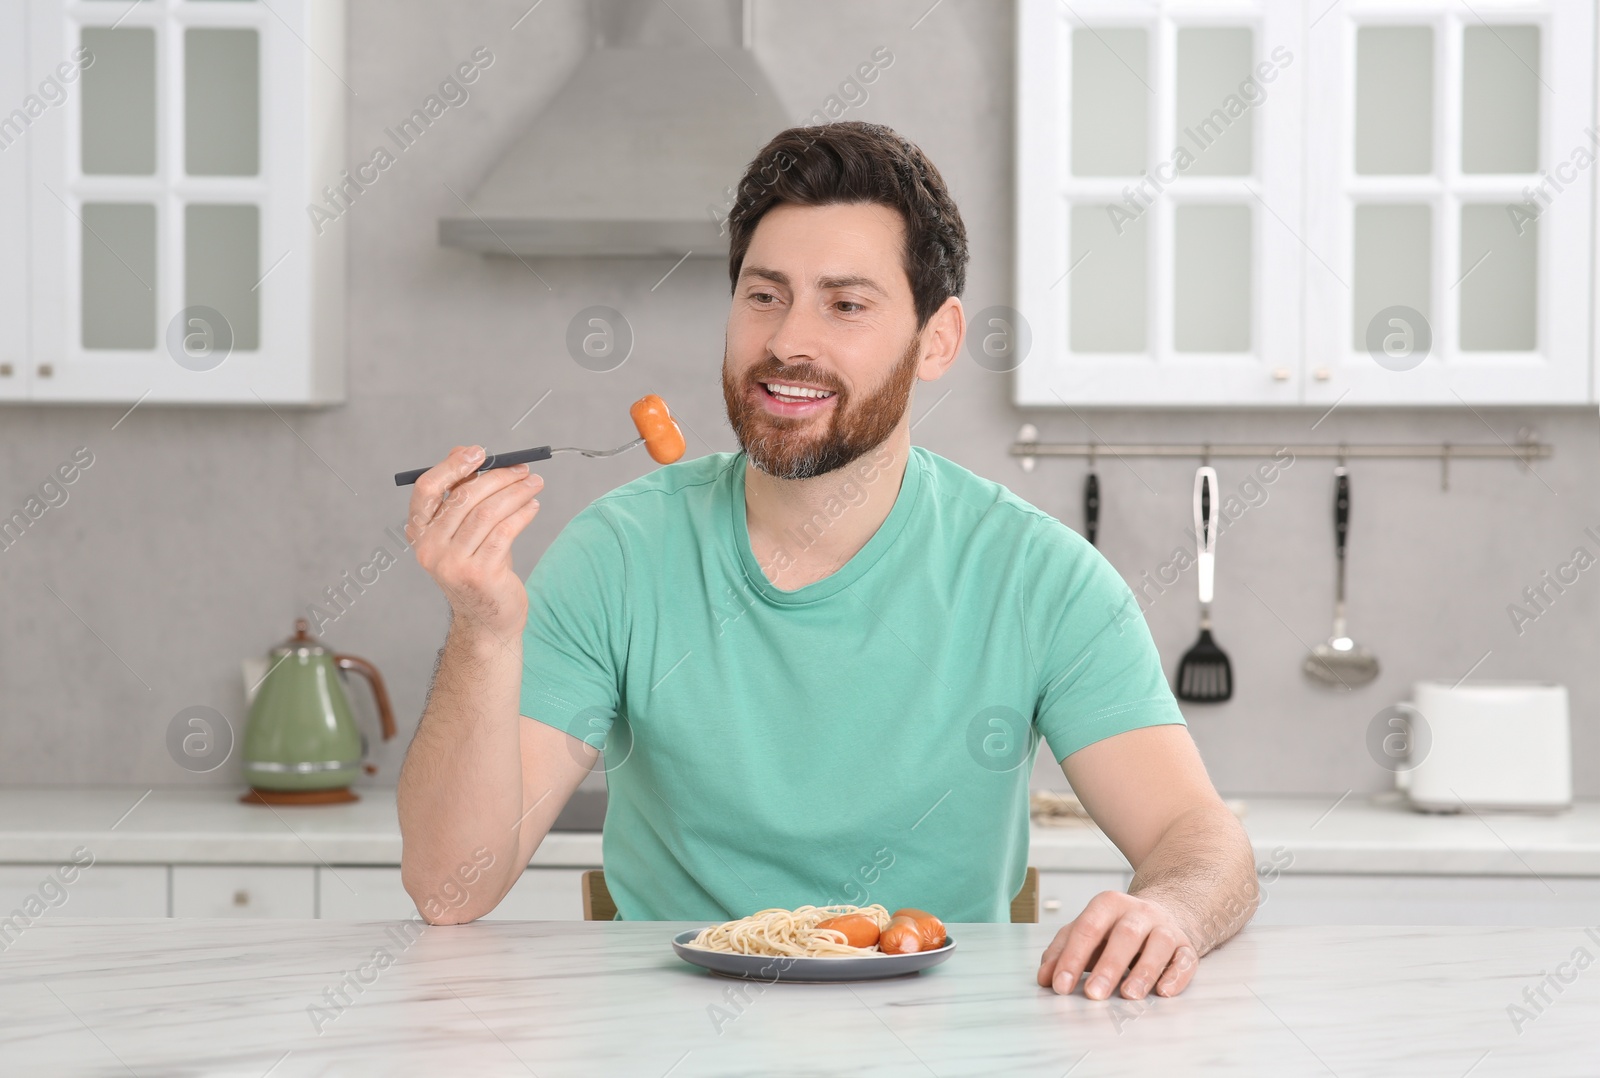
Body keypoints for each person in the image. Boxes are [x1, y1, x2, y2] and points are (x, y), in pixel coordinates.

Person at [396, 121, 1256, 1001]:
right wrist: (483, 629)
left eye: (845, 305)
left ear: (937, 339)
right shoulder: (617, 553)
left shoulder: (1040, 577)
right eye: (764, 296)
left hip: (947, 1048)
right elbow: (446, 887)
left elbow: (1200, 836)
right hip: (668, 1044)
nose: (788, 343)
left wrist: (1174, 911)